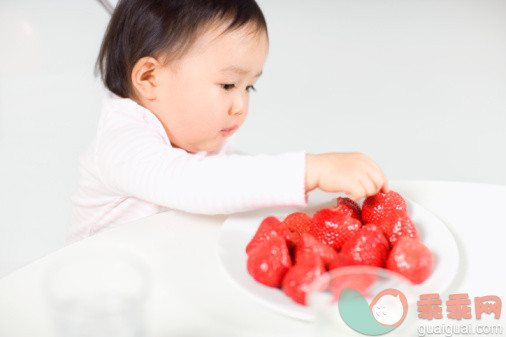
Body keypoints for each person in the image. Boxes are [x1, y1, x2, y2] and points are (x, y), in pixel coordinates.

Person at [68, 0, 388, 243]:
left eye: (249, 86)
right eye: (227, 85)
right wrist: (309, 171)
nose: (241, 105)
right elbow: (196, 182)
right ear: (150, 77)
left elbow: (233, 175)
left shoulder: (195, 132)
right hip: (106, 300)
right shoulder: (121, 145)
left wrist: (314, 202)